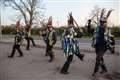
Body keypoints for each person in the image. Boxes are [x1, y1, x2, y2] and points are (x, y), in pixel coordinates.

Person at [92, 9, 113, 76]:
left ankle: (95, 72)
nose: (102, 23)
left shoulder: (107, 29)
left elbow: (110, 38)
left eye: (103, 22)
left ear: (105, 22)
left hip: (103, 46)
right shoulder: (97, 28)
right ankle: (104, 70)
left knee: (98, 58)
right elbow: (94, 35)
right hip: (97, 45)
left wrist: (112, 48)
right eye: (101, 21)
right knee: (100, 58)